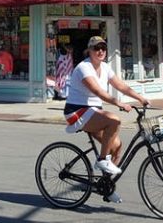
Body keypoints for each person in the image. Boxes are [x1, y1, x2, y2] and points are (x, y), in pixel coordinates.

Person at [63, 36, 150, 202]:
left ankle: (106, 186)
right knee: (114, 120)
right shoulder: (84, 67)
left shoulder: (105, 67)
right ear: (89, 51)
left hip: (93, 112)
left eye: (103, 47)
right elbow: (98, 92)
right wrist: (119, 103)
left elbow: (121, 85)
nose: (100, 51)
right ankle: (102, 160)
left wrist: (140, 98)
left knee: (116, 147)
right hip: (77, 112)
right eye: (96, 48)